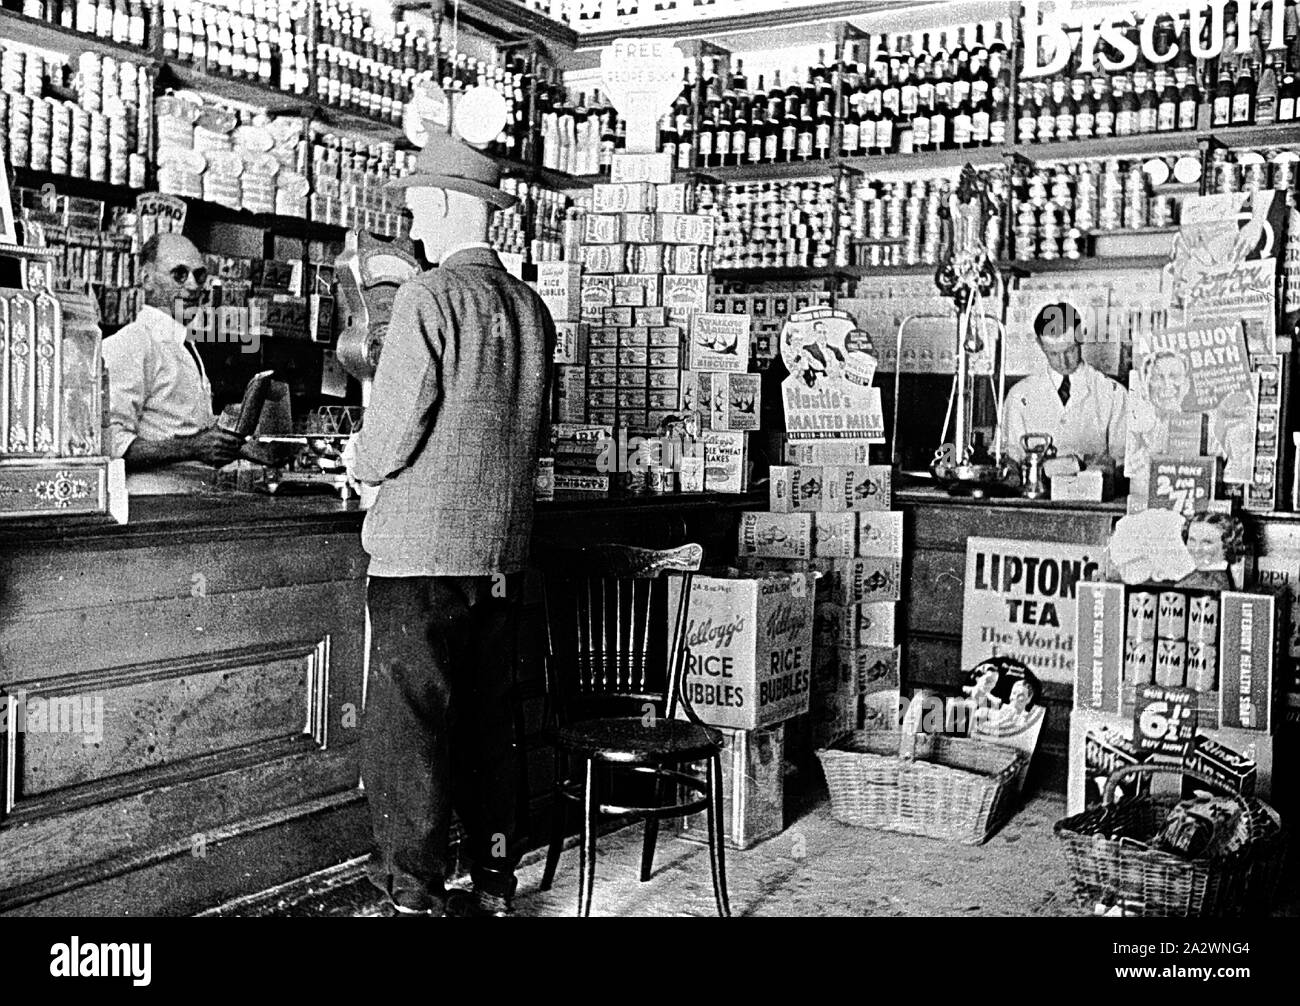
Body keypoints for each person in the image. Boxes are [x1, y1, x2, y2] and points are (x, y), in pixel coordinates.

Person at [348, 130, 555, 919]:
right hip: (502, 549)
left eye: (414, 208)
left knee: (411, 726)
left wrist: (359, 464)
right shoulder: (530, 306)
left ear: (439, 203)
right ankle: (497, 878)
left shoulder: (431, 296)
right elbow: (535, 430)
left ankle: (415, 892)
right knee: (489, 722)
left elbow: (394, 432)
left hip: (420, 554)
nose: (413, 226)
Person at [102, 233, 244, 494]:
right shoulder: (131, 343)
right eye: (179, 274)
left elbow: (183, 426)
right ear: (147, 278)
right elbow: (109, 443)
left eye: (199, 275)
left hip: (190, 500)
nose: (192, 286)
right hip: (150, 505)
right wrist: (193, 447)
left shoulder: (184, 345)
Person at [1000, 302, 1128, 470]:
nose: (1063, 362)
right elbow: (1010, 456)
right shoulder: (1020, 395)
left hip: (1091, 492)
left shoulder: (1113, 393)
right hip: (1036, 493)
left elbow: (1124, 460)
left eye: (1070, 350)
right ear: (1040, 344)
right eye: (1053, 353)